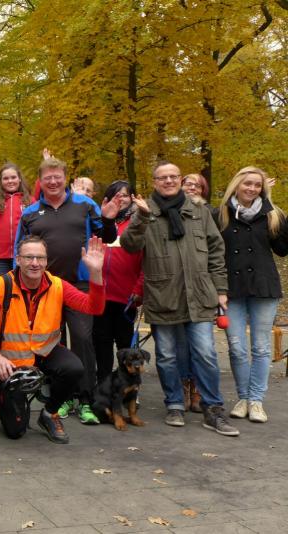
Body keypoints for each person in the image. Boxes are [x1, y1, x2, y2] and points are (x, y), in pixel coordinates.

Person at [121, 161, 239, 436]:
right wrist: (141, 217)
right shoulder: (145, 210)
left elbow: (216, 250)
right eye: (162, 177)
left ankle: (213, 408)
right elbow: (129, 245)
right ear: (155, 182)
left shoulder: (198, 210)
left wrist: (221, 289)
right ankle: (174, 403)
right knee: (166, 356)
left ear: (180, 179)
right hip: (163, 296)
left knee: (206, 354)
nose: (169, 181)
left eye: (173, 176)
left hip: (199, 294)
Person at [16, 157, 119, 424]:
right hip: (44, 287)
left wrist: (108, 220)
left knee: (83, 339)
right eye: (47, 177)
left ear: (66, 178)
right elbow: (20, 250)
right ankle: (60, 398)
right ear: (41, 181)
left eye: (57, 177)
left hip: (79, 284)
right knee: (51, 342)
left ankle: (85, 399)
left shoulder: (86, 205)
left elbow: (107, 236)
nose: (53, 181)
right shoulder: (30, 213)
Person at [0, 235, 106, 443]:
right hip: (12, 361)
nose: (35, 263)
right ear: (18, 260)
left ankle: (49, 413)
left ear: (47, 261)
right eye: (29, 257)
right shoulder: (1, 285)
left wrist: (95, 272)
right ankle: (5, 394)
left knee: (74, 368)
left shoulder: (58, 285)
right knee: (15, 431)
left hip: (45, 351)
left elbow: (95, 307)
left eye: (40, 258)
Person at [216, 166, 288, 423]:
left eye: (257, 185)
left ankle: (256, 400)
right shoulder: (221, 214)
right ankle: (243, 397)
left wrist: (280, 218)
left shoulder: (272, 214)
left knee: (260, 347)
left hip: (263, 286)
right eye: (247, 183)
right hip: (231, 289)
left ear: (263, 189)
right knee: (236, 347)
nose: (252, 188)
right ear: (236, 184)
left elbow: (282, 249)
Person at [91, 181, 143, 384]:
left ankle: (128, 388)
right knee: (101, 345)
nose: (121, 199)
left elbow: (146, 261)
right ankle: (103, 387)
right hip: (100, 297)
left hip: (126, 297)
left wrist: (139, 288)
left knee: (126, 348)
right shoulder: (100, 223)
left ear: (132, 198)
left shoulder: (138, 224)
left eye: (125, 195)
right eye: (116, 195)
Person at [178, 173, 211, 412]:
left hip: (202, 287)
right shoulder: (170, 211)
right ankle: (184, 387)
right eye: (188, 183)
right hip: (176, 288)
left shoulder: (209, 214)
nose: (192, 188)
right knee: (180, 346)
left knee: (202, 346)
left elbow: (217, 250)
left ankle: (198, 389)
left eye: (197, 185)